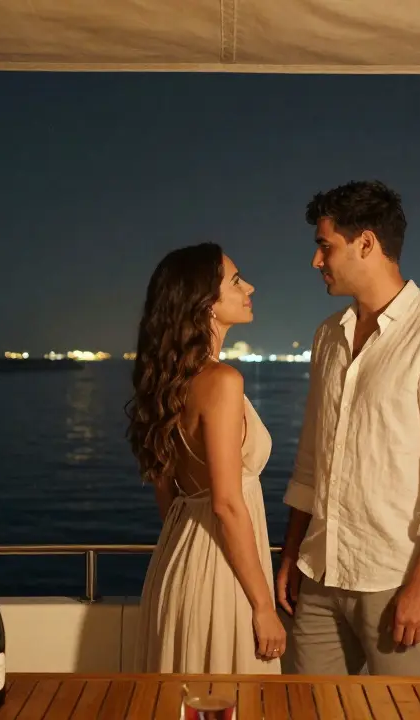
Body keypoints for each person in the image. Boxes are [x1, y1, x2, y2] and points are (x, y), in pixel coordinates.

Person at [276, 180, 420, 676]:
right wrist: (291, 555)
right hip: (319, 570)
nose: (316, 261)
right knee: (306, 709)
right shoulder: (328, 336)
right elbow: (311, 459)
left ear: (366, 243)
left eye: (325, 246)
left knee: (400, 709)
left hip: (397, 575)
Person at [127, 242, 285, 674]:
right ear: (206, 302)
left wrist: (191, 551)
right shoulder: (222, 381)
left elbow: (166, 490)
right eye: (236, 281)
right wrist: (263, 605)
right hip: (223, 571)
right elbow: (227, 504)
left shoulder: (166, 381)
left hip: (178, 559)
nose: (249, 287)